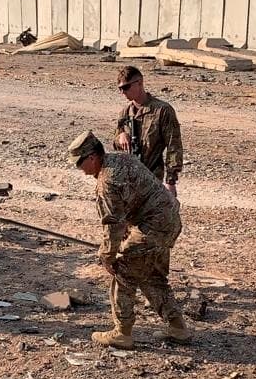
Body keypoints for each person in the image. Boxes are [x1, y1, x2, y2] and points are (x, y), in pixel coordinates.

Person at [68, 130, 190, 349]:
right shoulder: (121, 159)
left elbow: (113, 224)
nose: (80, 169)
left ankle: (122, 333)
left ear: (92, 158)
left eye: (79, 164)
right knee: (151, 276)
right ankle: (177, 327)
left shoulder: (107, 181)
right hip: (169, 222)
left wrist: (107, 256)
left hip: (151, 228)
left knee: (123, 272)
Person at [113, 65, 183, 196]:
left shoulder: (162, 110)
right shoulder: (125, 113)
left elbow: (174, 146)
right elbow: (116, 145)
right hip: (128, 178)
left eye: (126, 87)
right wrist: (121, 136)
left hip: (152, 178)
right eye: (120, 89)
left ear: (139, 83)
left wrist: (171, 181)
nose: (123, 92)